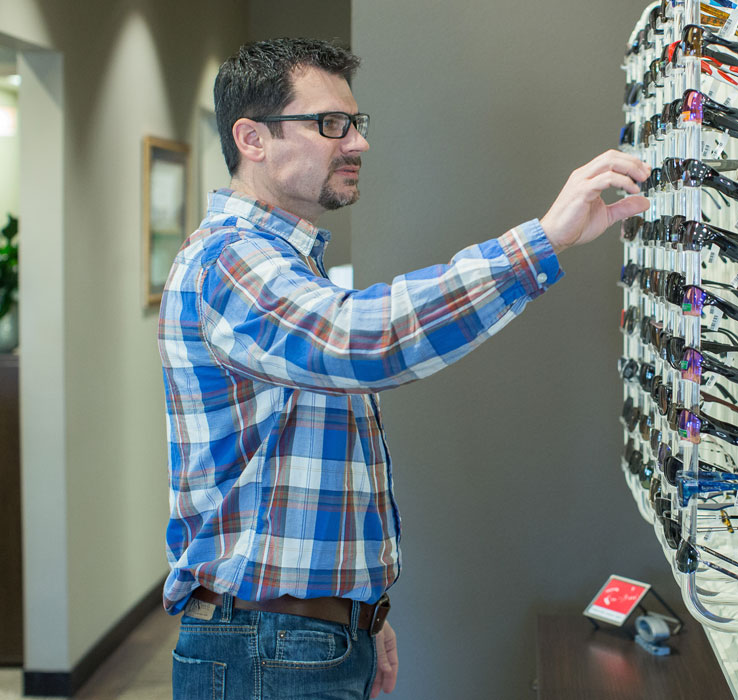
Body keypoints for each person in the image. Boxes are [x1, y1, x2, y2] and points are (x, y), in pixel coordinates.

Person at [158, 37, 650, 700]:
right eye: (331, 124)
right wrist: (544, 240)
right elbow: (367, 341)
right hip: (267, 646)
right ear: (253, 138)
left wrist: (362, 612)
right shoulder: (232, 260)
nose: (357, 143)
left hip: (300, 635)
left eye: (356, 123)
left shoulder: (280, 262)